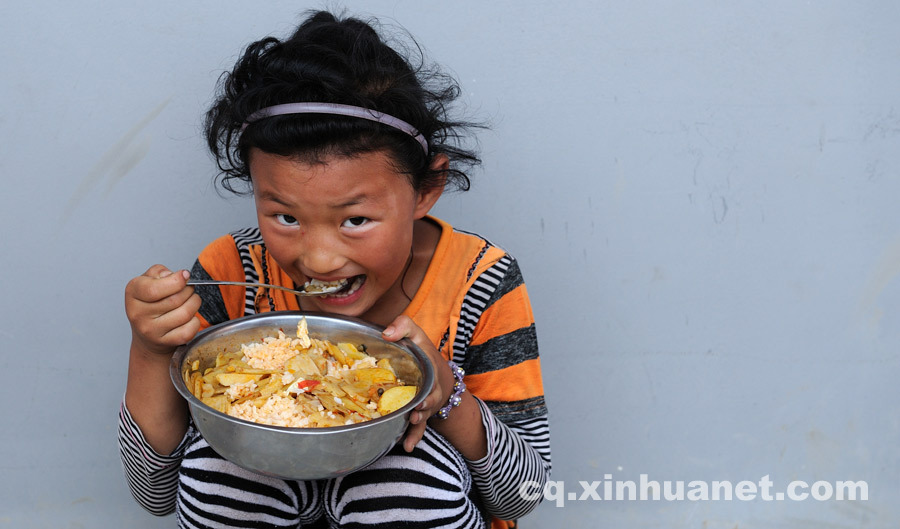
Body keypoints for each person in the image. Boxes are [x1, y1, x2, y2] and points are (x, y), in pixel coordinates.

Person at [118, 10, 550, 529]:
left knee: (406, 475)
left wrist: (446, 391)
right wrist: (150, 350)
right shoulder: (231, 271)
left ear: (426, 189)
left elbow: (522, 496)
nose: (318, 259)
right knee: (219, 466)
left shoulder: (481, 283)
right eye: (284, 216)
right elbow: (157, 493)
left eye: (356, 219)